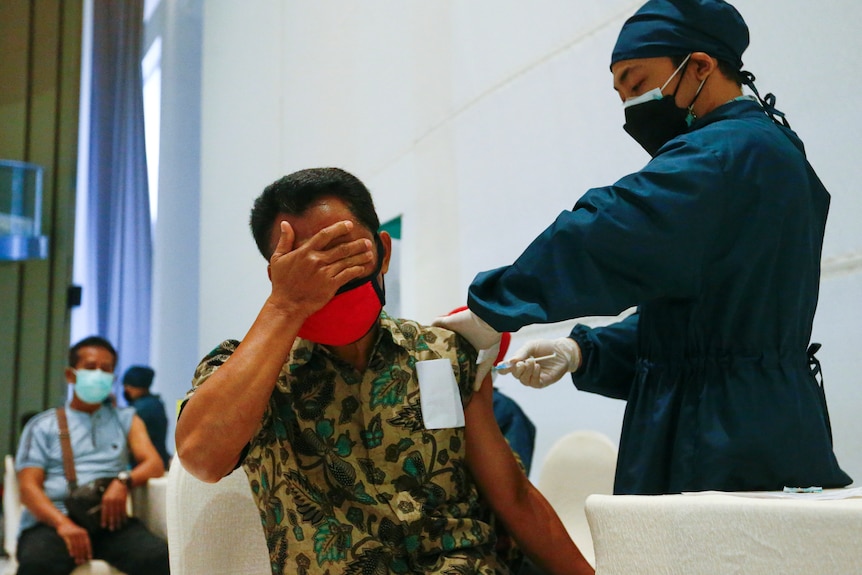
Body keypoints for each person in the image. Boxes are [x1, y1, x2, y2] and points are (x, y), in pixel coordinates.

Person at [435, 0, 852, 496]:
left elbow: (609, 232)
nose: (631, 106)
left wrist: (494, 308)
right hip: (751, 421)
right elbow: (701, 320)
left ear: (699, 66)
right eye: (621, 94)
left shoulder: (726, 155)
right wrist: (582, 352)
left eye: (637, 84)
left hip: (721, 438)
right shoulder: (765, 151)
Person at [175, 167, 593, 575]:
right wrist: (286, 306)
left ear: (384, 252)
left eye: (346, 252)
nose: (329, 275)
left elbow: (513, 497)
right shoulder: (249, 372)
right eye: (308, 262)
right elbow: (202, 458)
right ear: (277, 273)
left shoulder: (442, 352)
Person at [14, 336, 170, 575]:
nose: (98, 374)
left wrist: (123, 481)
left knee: (163, 559)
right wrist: (63, 525)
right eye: (90, 367)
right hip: (54, 524)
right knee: (38, 565)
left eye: (106, 369)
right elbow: (28, 489)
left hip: (109, 522)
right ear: (70, 375)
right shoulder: (42, 426)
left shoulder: (126, 419)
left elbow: (154, 464)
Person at [122, 365, 172, 469]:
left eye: (128, 386)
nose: (126, 390)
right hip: (159, 460)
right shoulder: (156, 403)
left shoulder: (140, 409)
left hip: (144, 465)